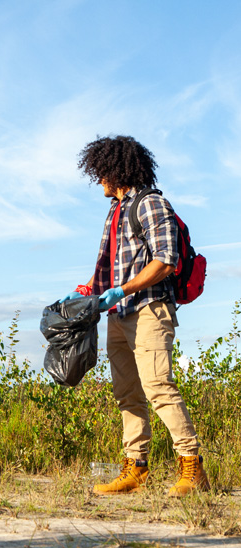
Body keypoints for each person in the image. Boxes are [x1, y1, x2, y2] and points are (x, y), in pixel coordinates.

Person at [61, 135, 209, 497]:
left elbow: (166, 260)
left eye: (101, 172)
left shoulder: (151, 204)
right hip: (117, 314)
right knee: (127, 393)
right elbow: (110, 268)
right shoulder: (114, 210)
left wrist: (122, 291)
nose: (98, 180)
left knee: (158, 387)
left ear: (116, 169)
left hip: (149, 310)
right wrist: (86, 292)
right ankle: (135, 470)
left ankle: (193, 470)